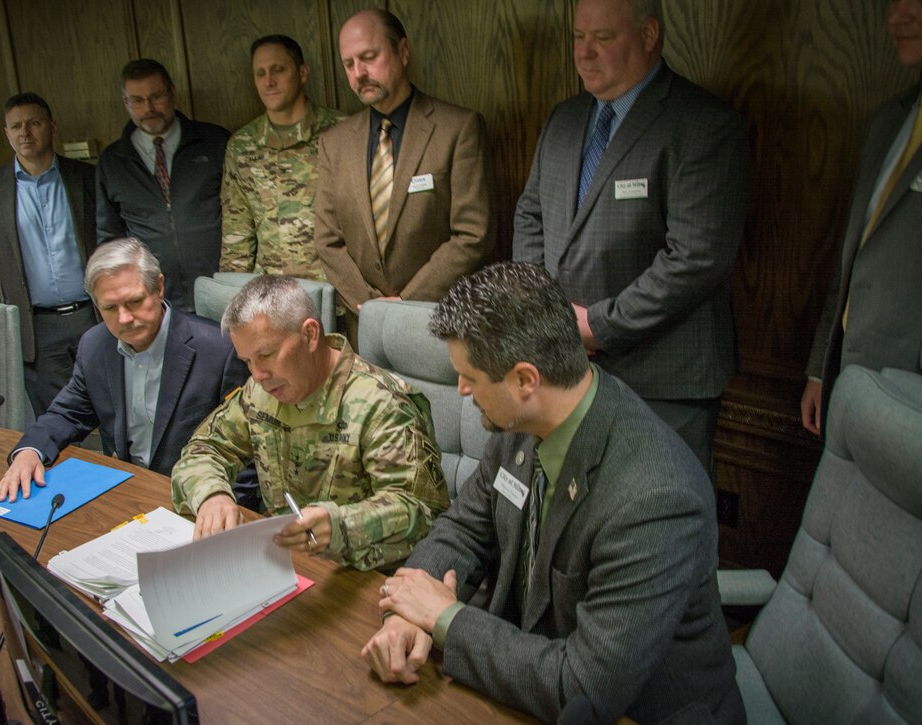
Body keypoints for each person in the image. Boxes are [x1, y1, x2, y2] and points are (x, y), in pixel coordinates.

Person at [362, 262, 742, 723]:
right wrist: (407, 613)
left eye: (470, 377)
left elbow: (582, 689)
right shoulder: (523, 423)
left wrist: (445, 619)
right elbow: (461, 529)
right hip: (524, 683)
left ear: (525, 380)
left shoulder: (655, 499)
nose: (460, 389)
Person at [512, 0, 750, 473]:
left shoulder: (704, 125)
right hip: (569, 368)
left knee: (662, 525)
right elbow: (530, 217)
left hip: (665, 380)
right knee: (584, 522)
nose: (584, 54)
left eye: (602, 39)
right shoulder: (563, 119)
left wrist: (599, 325)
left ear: (649, 35)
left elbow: (697, 257)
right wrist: (547, 314)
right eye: (578, 38)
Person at [171, 274, 449, 572]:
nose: (257, 375)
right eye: (247, 361)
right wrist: (212, 495)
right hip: (285, 564)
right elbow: (205, 448)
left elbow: (421, 513)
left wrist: (342, 525)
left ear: (310, 335)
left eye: (266, 354)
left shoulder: (380, 404)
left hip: (361, 577)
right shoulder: (261, 392)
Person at [0, 238, 255, 509]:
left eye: (134, 302)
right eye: (110, 308)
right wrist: (29, 451)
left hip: (196, 501)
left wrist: (221, 506)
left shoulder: (220, 350)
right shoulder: (95, 346)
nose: (124, 319)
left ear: (159, 288)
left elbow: (248, 453)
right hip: (128, 493)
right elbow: (67, 414)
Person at [314, 8, 494, 342]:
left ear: (403, 51)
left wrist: (405, 305)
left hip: (438, 321)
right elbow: (327, 239)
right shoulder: (334, 143)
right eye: (349, 64)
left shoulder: (458, 128)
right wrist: (370, 306)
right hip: (363, 325)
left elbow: (473, 234)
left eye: (369, 57)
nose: (359, 74)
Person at [801, 0, 922, 436]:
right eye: (893, 3)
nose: (895, 19)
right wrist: (821, 370)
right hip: (849, 383)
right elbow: (855, 261)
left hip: (909, 405)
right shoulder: (892, 120)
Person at [0, 92, 97, 417]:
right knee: (58, 421)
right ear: (6, 134)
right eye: (16, 126)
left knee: (113, 411)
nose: (25, 132)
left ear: (52, 126)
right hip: (37, 331)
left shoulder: (87, 178)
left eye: (33, 123)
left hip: (93, 316)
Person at [96, 58, 230, 312]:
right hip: (154, 300)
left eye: (156, 97)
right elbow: (110, 239)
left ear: (172, 93)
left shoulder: (214, 142)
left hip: (220, 289)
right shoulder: (113, 162)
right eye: (137, 100)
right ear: (126, 103)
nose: (148, 108)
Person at [220, 34, 344, 280]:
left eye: (278, 70)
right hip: (272, 298)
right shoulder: (242, 145)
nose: (269, 81)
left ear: (302, 73)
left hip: (337, 291)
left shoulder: (343, 132)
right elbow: (237, 234)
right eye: (260, 73)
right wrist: (233, 298)